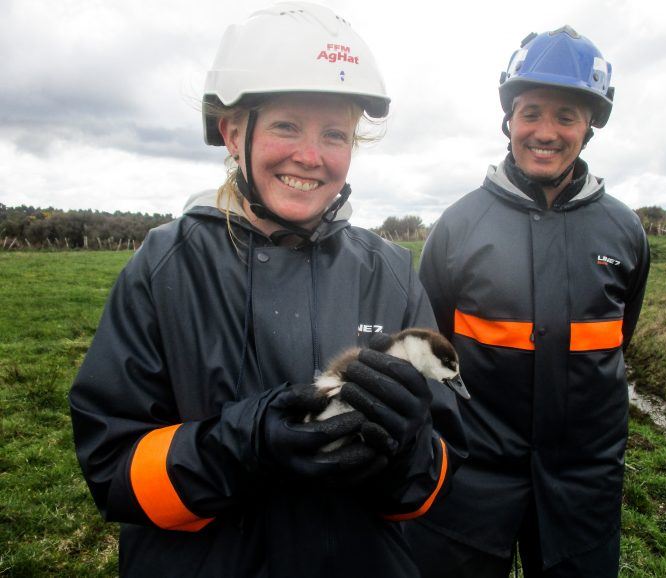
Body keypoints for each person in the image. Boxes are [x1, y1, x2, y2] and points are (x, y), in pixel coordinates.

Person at [69, 3, 465, 577]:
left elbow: (436, 482)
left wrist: (407, 453)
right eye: (286, 125)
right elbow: (111, 469)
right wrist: (237, 449)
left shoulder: (392, 272)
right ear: (233, 132)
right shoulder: (166, 268)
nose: (311, 156)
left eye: (335, 133)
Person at [407, 25, 650, 577]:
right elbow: (428, 355)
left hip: (583, 485)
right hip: (469, 478)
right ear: (509, 120)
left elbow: (619, 338)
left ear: (589, 128)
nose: (546, 131)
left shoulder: (624, 230)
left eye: (566, 115)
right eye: (531, 111)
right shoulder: (458, 226)